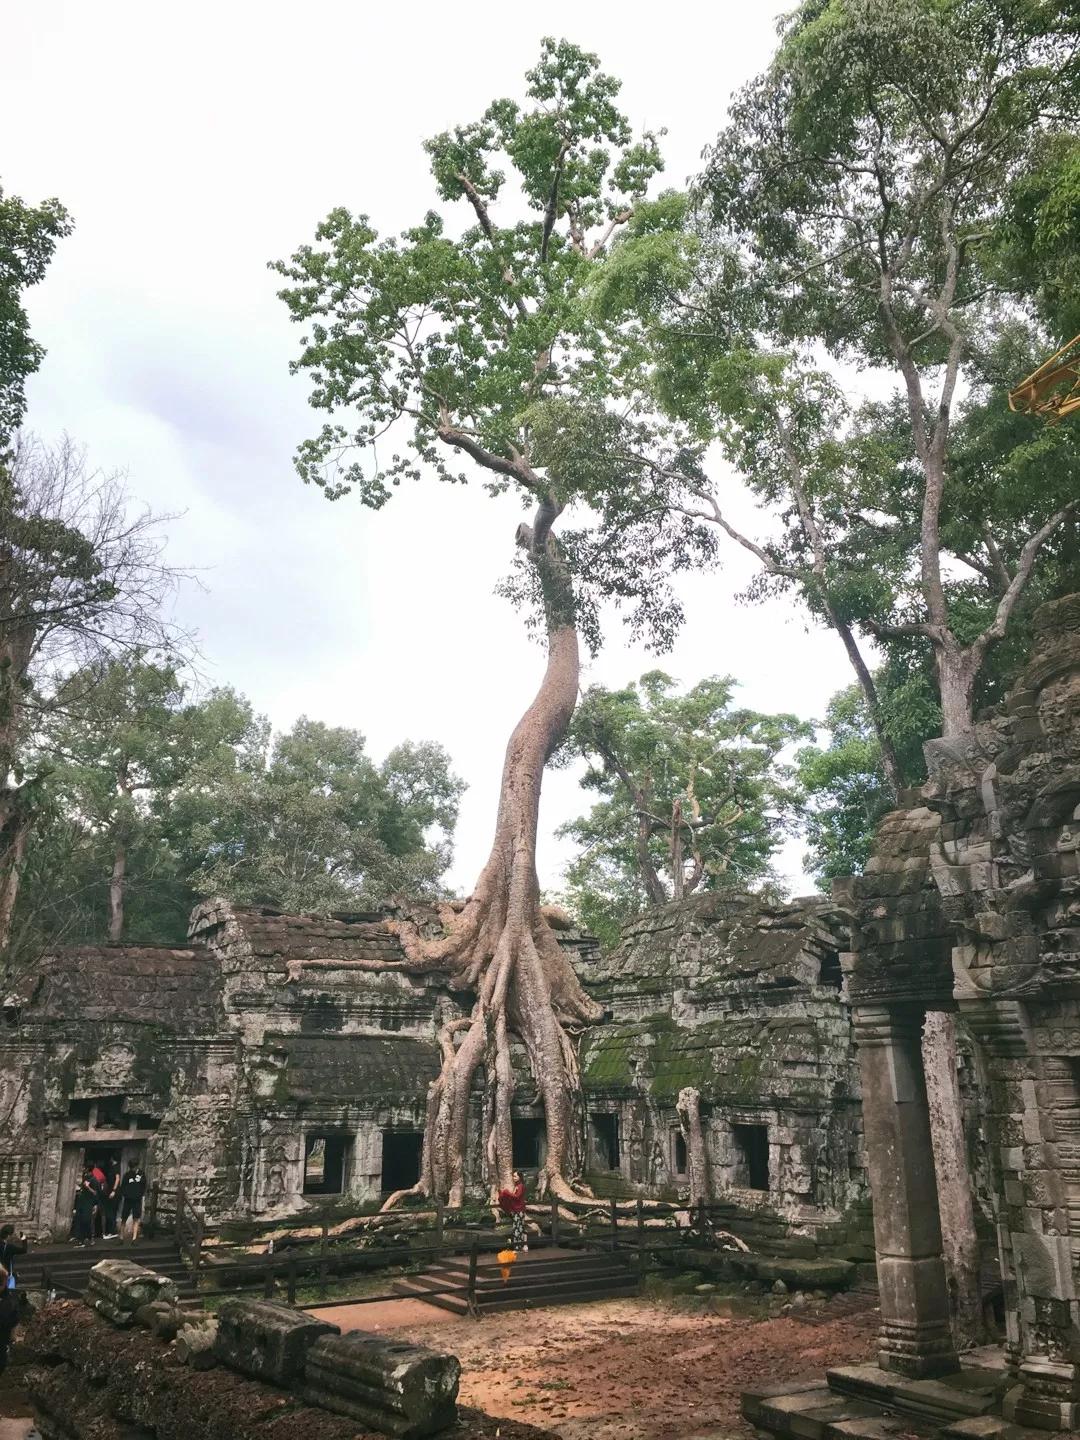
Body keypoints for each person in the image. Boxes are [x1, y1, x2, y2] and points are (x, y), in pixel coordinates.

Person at [498, 1170, 528, 1251]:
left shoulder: (520, 1186)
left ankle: (518, 1247)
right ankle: (520, 1246)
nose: (513, 1178)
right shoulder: (517, 1185)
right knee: (517, 1228)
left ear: (519, 1177)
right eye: (513, 1176)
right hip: (516, 1209)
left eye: (515, 1176)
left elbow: (517, 1197)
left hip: (519, 1210)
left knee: (518, 1228)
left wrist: (507, 1192)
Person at [119, 1159, 147, 1244]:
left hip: (137, 1199)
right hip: (128, 1199)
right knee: (124, 1218)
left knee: (136, 1218)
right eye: (131, 1167)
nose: (133, 1169)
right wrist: (125, 1194)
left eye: (134, 1167)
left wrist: (140, 1195)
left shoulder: (141, 1174)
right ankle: (121, 1237)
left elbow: (144, 1185)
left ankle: (134, 1238)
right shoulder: (127, 1175)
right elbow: (123, 1186)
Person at [73, 1168, 99, 1247]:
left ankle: (90, 1238)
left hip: (89, 1203)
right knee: (79, 1220)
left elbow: (95, 1193)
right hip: (82, 1202)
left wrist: (88, 1187)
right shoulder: (84, 1178)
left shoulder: (94, 1180)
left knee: (87, 1221)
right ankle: (81, 1239)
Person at [102, 1154, 121, 1239]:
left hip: (113, 1193)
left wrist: (114, 1190)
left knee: (111, 1212)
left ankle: (112, 1231)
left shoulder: (116, 1167)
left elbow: (117, 1178)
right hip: (110, 1191)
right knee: (110, 1211)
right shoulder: (112, 1167)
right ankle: (110, 1230)